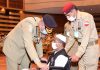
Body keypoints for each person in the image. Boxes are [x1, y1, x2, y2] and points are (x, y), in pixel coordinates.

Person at [62, 2, 100, 70]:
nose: (67, 18)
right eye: (66, 16)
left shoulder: (86, 17)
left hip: (90, 48)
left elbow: (86, 37)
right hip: (81, 48)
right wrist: (64, 50)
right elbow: (71, 37)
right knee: (81, 68)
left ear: (73, 11)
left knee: (90, 68)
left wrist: (78, 54)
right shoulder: (73, 21)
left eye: (68, 15)